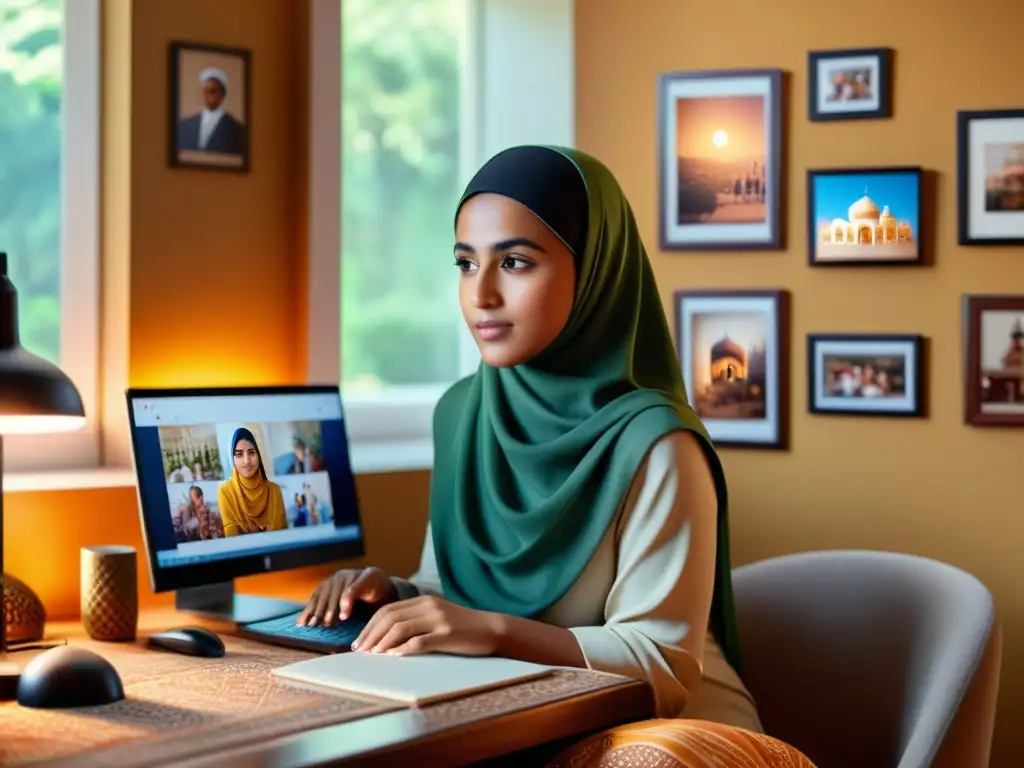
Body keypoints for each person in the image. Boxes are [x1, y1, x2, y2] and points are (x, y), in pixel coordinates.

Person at [297, 145, 762, 731]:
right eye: (466, 263)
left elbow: (660, 663)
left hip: (676, 739)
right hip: (529, 721)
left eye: (515, 262)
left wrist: (493, 633)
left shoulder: (658, 443)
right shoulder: (462, 413)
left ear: (594, 269)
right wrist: (393, 595)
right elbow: (453, 586)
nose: (481, 294)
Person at [217, 427, 287, 536]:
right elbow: (233, 541)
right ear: (233, 459)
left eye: (251, 453)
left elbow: (282, 536)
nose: (247, 461)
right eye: (239, 454)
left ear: (258, 455)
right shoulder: (225, 492)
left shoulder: (274, 491)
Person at [176, 67, 246, 156]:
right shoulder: (185, 125)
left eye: (212, 91)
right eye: (205, 91)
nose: (208, 96)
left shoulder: (237, 129)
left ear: (222, 93)